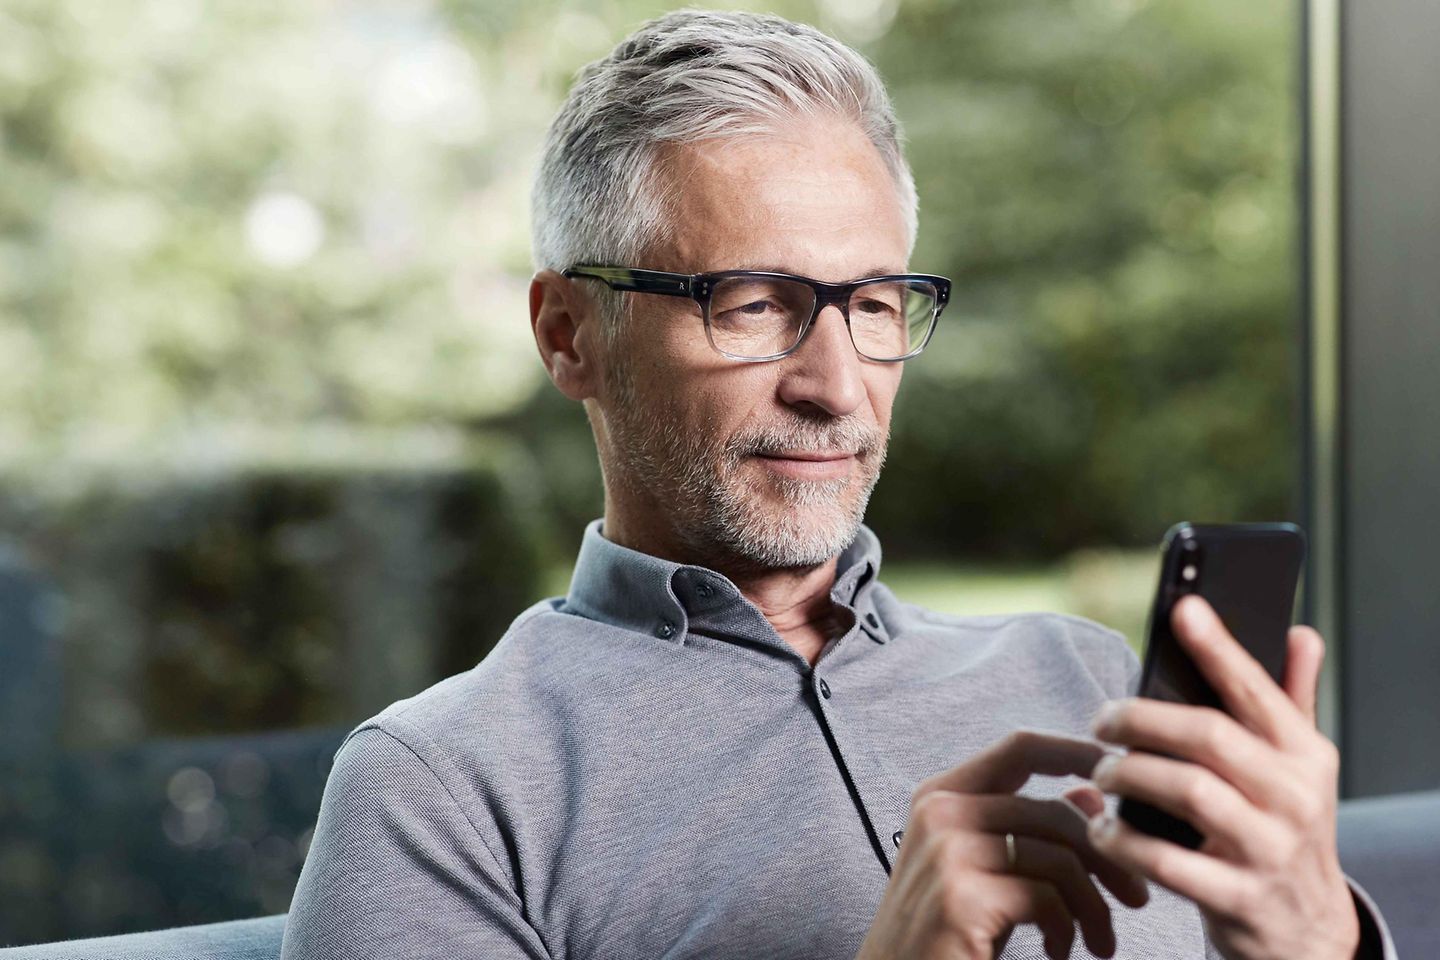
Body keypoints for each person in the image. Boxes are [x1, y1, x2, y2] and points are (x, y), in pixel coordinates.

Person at [282, 10, 1394, 959]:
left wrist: (1322, 939)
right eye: (754, 303)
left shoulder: (1092, 684)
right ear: (570, 334)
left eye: (872, 304)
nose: (836, 386)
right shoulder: (441, 794)